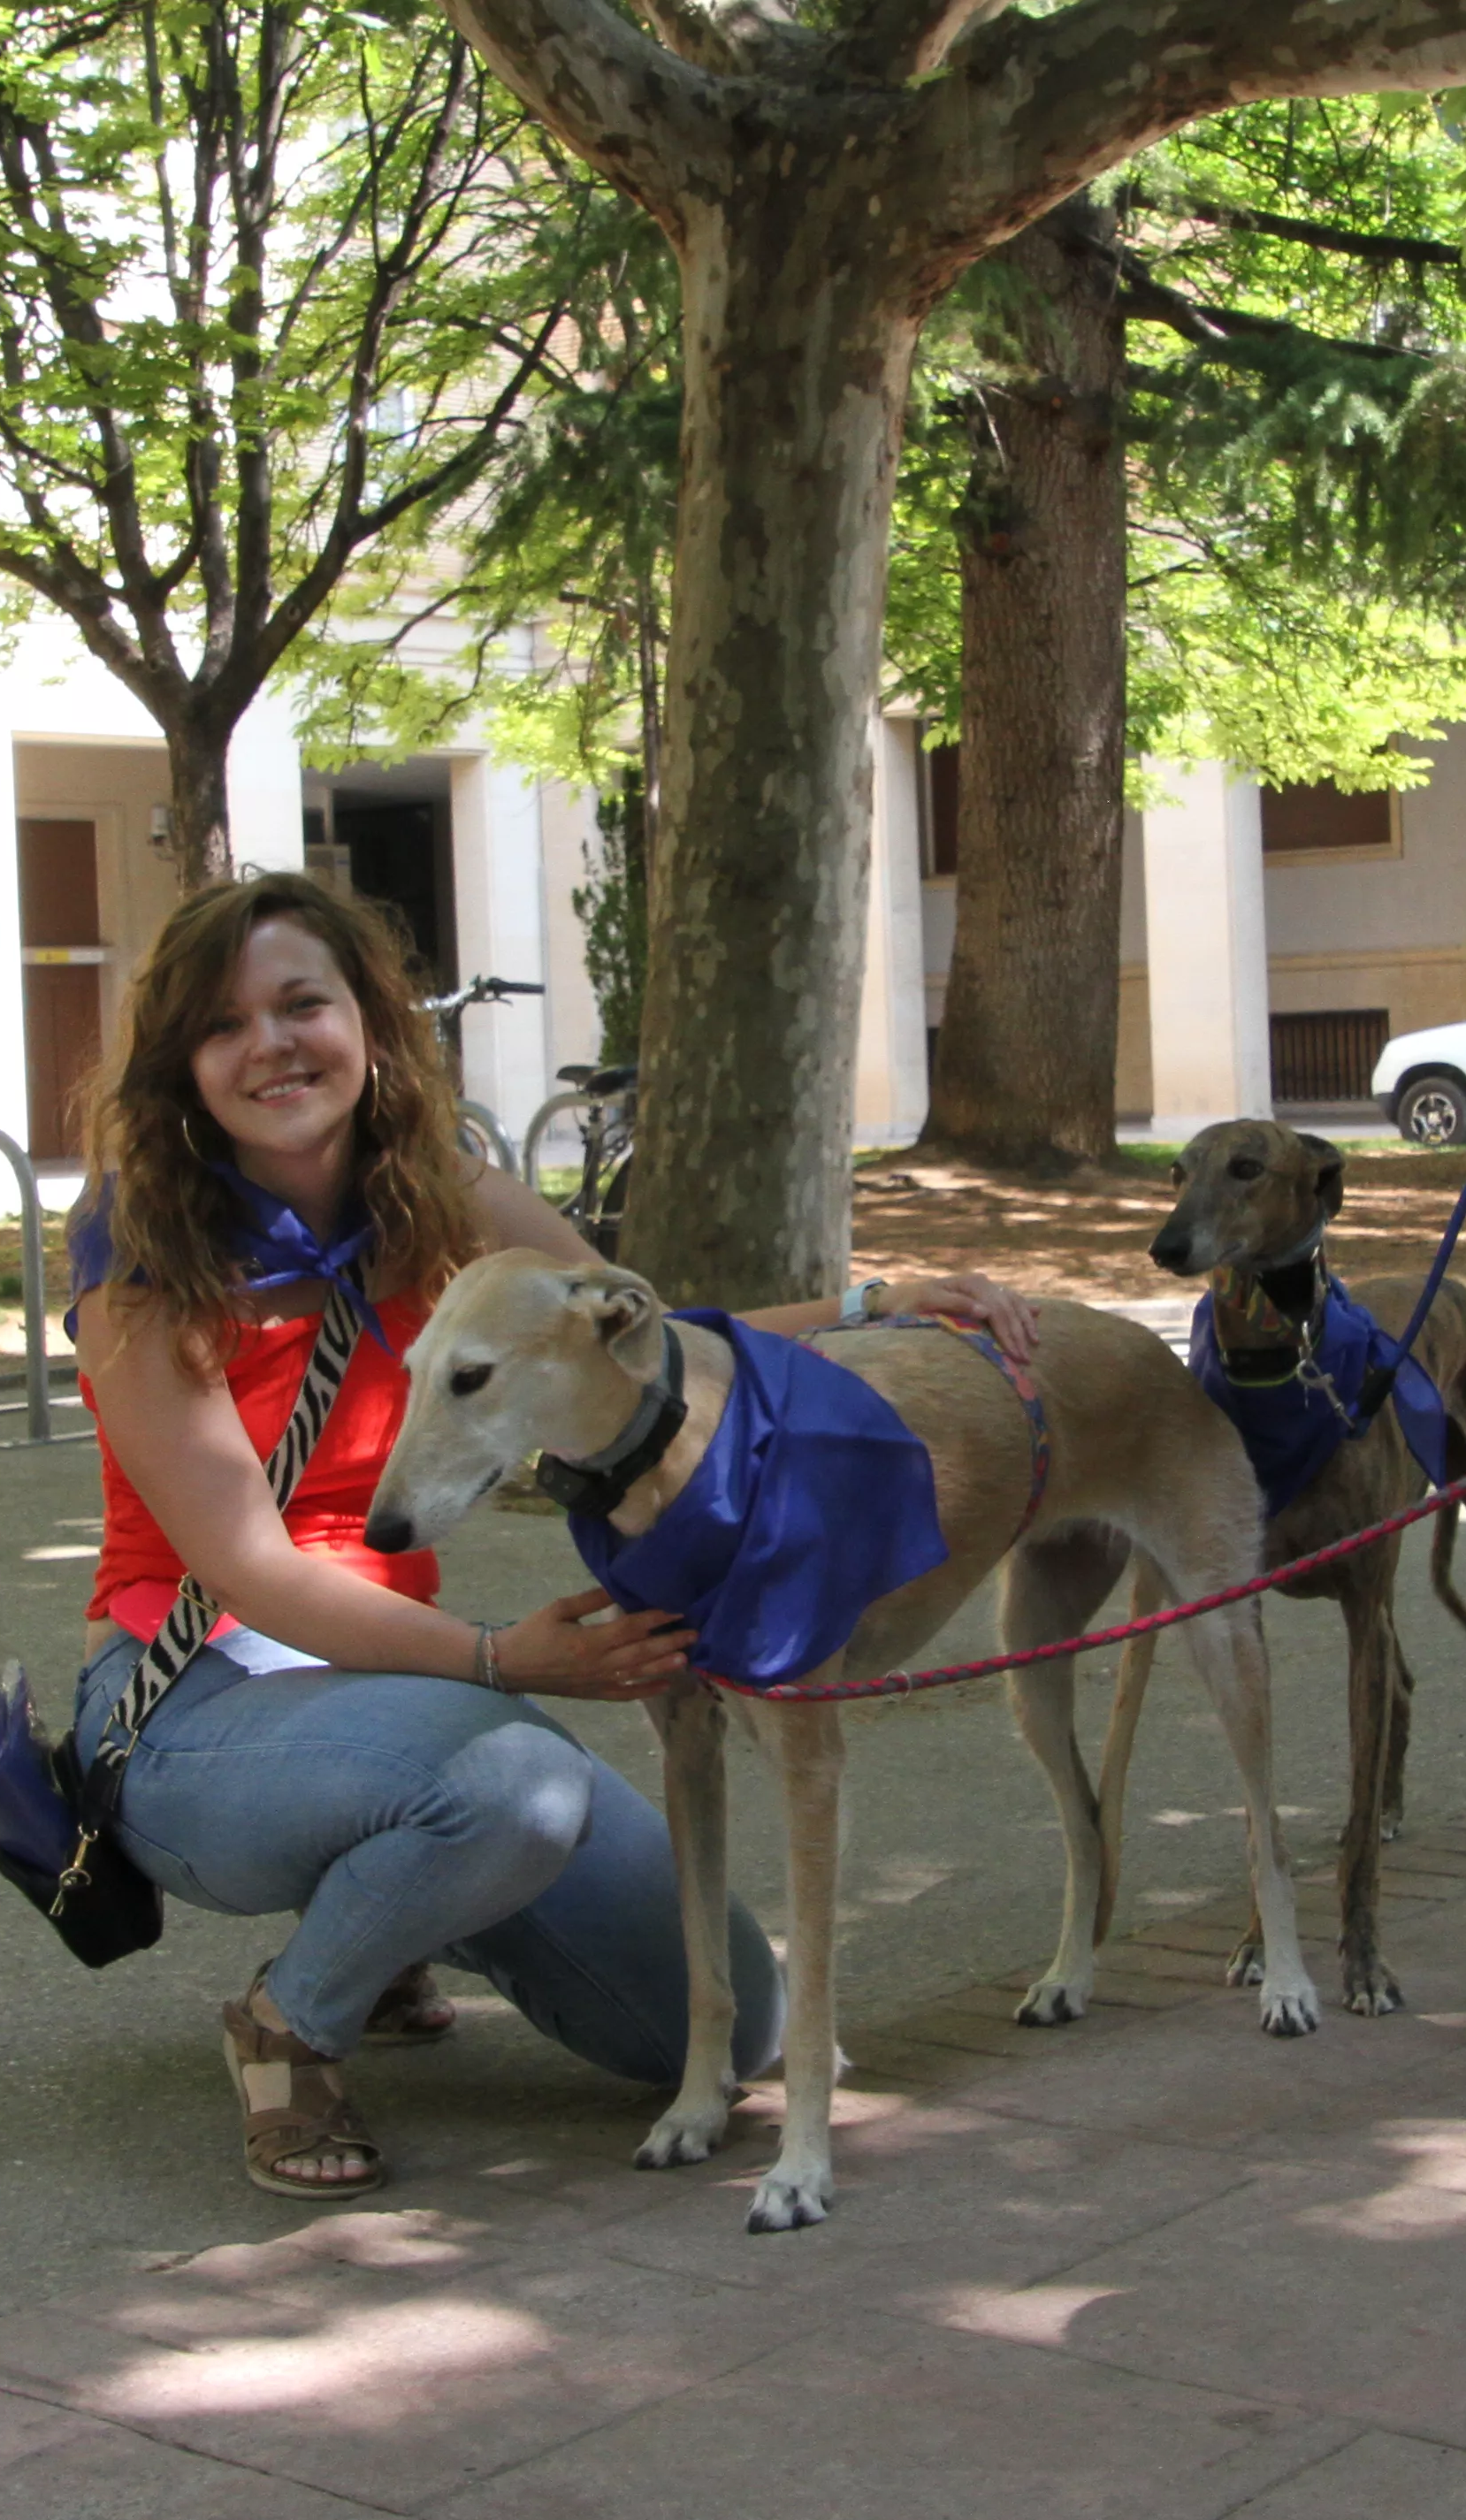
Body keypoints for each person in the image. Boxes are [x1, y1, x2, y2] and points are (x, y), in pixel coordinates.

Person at [55, 868, 1039, 2198]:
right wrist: (505, 1661)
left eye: (304, 1003)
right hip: (194, 1694)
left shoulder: (437, 1191)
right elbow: (248, 1567)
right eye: (225, 1026)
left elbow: (636, 1340)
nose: (272, 1045)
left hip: (393, 1685)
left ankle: (405, 1903)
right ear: (183, 1062)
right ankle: (293, 2026)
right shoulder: (143, 1244)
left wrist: (879, 1299)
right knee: (515, 1785)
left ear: (367, 1019)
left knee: (728, 2024)